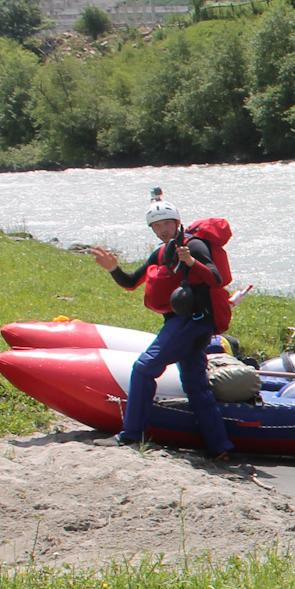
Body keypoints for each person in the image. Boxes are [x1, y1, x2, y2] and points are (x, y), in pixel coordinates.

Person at [89, 191, 233, 458]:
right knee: (195, 384)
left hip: (194, 322)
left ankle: (131, 435)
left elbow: (215, 279)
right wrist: (113, 269)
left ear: (177, 222)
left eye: (167, 223)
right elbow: (131, 282)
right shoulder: (160, 253)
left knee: (144, 368)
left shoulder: (196, 246)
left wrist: (191, 262)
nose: (163, 229)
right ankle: (219, 447)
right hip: (181, 323)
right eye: (157, 226)